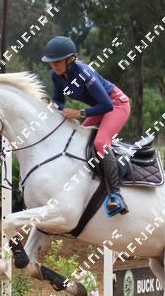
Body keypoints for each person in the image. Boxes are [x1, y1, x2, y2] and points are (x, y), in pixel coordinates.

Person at [42, 36, 131, 216]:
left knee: (100, 143)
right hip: (100, 108)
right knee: (79, 136)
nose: (54, 65)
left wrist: (79, 113)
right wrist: (52, 106)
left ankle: (116, 195)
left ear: (70, 59)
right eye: (51, 62)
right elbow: (59, 100)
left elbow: (107, 105)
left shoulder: (84, 73)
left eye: (57, 61)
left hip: (117, 105)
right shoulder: (56, 76)